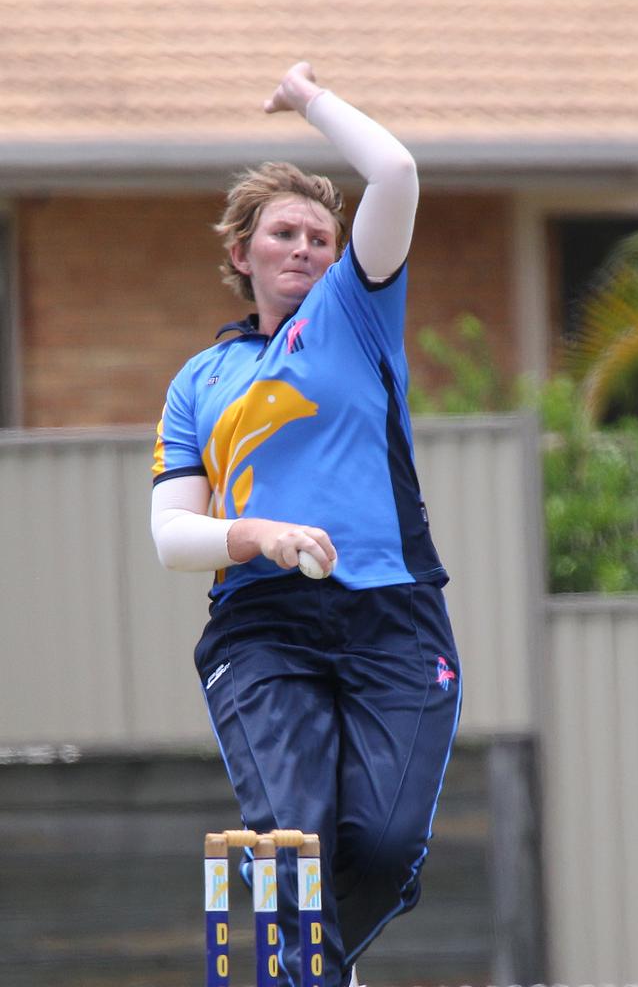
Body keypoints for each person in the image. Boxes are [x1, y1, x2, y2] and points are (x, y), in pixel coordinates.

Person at [150, 62, 461, 987]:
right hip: (261, 624)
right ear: (242, 253)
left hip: (393, 613)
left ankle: (321, 962)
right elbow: (173, 537)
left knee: (389, 843)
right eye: (283, 233)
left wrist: (307, 99)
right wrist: (259, 534)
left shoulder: (357, 311)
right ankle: (306, 967)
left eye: (321, 236)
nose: (306, 249)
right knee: (295, 847)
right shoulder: (197, 384)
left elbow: (396, 173)